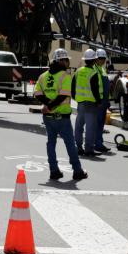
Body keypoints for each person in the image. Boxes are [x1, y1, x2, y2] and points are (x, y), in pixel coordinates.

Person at [34, 48, 87, 182]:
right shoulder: (65, 75)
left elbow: (37, 93)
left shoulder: (43, 76)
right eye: (66, 60)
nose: (67, 62)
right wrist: (51, 106)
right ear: (60, 61)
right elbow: (63, 95)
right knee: (70, 144)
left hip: (48, 117)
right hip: (62, 117)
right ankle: (77, 171)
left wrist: (47, 105)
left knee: (51, 143)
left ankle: (54, 171)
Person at [73, 49, 103, 157]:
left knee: (79, 126)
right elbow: (95, 90)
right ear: (94, 60)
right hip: (91, 105)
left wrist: (77, 98)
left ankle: (78, 147)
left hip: (80, 103)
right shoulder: (93, 73)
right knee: (90, 128)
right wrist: (99, 102)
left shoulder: (78, 71)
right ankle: (89, 149)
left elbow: (73, 88)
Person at [93, 50, 112, 153]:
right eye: (101, 58)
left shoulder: (102, 69)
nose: (103, 60)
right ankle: (96, 144)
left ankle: (99, 143)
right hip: (98, 101)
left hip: (103, 101)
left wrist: (107, 100)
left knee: (101, 124)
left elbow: (105, 87)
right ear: (96, 59)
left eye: (104, 59)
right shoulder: (94, 69)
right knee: (96, 123)